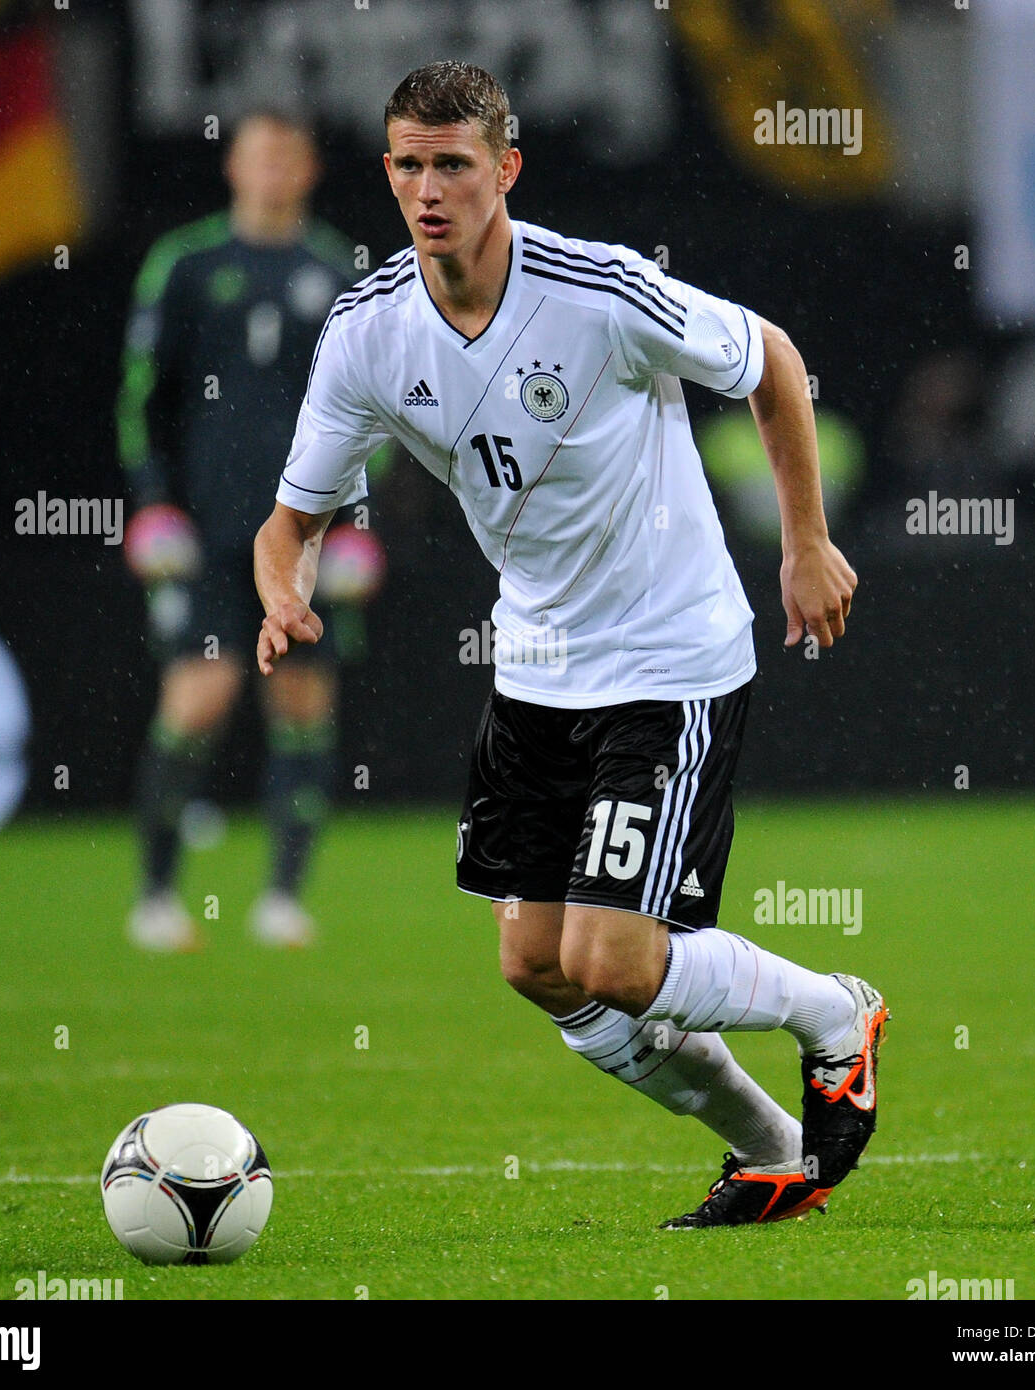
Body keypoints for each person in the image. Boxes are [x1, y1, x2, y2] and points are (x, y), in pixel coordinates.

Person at [254, 61, 888, 1226]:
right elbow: (291, 518)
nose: (428, 187)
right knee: (536, 967)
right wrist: (281, 590)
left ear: (507, 168)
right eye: (407, 162)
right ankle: (776, 1149)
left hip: (670, 655)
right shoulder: (367, 332)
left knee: (611, 961)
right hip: (535, 667)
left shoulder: (597, 292)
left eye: (453, 163)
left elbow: (774, 360)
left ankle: (834, 1011)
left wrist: (805, 543)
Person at [118, 107, 371, 951]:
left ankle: (283, 898)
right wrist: (152, 502)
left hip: (306, 537)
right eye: (256, 155)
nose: (270, 170)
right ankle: (155, 897)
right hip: (207, 531)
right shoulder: (187, 264)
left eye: (285, 156)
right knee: (199, 700)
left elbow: (377, 414)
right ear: (233, 167)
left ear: (307, 170)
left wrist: (359, 523)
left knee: (304, 707)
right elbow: (142, 396)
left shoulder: (337, 273)